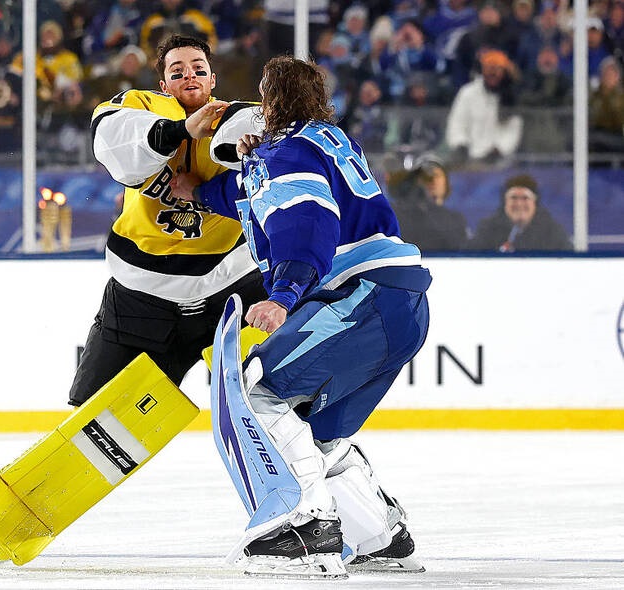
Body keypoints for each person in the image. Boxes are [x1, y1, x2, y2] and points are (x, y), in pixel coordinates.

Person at [170, 55, 431, 577]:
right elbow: (260, 192)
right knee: (316, 431)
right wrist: (198, 190)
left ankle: (303, 531)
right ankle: (377, 537)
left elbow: (306, 220)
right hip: (402, 302)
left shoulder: (286, 153)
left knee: (257, 391)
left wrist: (283, 296)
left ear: (270, 101)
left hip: (358, 297)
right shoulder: (326, 140)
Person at [67, 35, 267, 407]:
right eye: (178, 71)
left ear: (213, 80)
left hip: (230, 288)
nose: (189, 75)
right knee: (97, 412)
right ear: (163, 85)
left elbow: (273, 169)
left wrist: (206, 189)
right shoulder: (141, 108)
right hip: (142, 294)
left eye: (198, 69)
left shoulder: (244, 119)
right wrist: (182, 131)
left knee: (270, 393)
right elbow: (112, 139)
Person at [445, 49, 523, 165]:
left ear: (504, 72)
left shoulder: (511, 99)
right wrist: (460, 145)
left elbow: (512, 132)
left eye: (497, 69)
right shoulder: (468, 92)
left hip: (498, 162)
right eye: (489, 68)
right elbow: (456, 123)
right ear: (482, 69)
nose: (493, 73)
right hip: (467, 159)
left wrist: (498, 151)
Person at [469, 174, 571, 251]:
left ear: (535, 203)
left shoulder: (552, 231)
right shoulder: (488, 229)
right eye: (513, 198)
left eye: (525, 198)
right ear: (504, 202)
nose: (519, 204)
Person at [390, 155, 469, 251]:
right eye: (425, 177)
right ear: (416, 183)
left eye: (436, 175)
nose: (432, 180)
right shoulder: (401, 218)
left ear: (446, 182)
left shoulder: (456, 220)